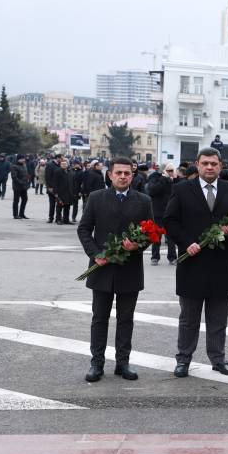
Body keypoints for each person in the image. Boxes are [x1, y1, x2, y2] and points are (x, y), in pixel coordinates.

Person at [164, 148, 228, 378]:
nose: (210, 167)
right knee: (188, 318)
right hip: (192, 262)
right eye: (205, 163)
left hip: (220, 264)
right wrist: (186, 243)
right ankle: (183, 359)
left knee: (218, 318)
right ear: (197, 165)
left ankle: (218, 359)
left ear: (220, 166)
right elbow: (170, 221)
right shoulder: (181, 189)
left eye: (214, 164)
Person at [77, 156, 153, 382]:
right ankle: (96, 363)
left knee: (126, 318)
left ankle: (123, 363)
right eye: (118, 173)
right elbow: (84, 230)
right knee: (99, 318)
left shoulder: (143, 201)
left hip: (130, 269)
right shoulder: (96, 198)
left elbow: (150, 234)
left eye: (127, 173)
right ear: (109, 175)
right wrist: (95, 254)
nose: (122, 176)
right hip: (102, 268)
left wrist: (138, 245)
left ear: (133, 175)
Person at [146, 163, 177, 266]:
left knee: (171, 237)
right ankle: (155, 257)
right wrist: (164, 179)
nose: (171, 173)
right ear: (164, 171)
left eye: (172, 170)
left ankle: (172, 257)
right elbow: (152, 190)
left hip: (170, 212)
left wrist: (174, 179)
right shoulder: (155, 177)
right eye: (169, 170)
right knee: (157, 236)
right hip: (158, 211)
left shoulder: (174, 179)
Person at [52, 158, 75, 225]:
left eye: (65, 164)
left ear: (67, 164)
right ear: (60, 165)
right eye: (62, 164)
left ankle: (66, 220)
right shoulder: (57, 172)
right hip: (60, 192)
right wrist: (55, 193)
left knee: (67, 206)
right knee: (59, 206)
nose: (64, 165)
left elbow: (72, 182)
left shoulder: (70, 171)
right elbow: (55, 183)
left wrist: (73, 191)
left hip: (69, 192)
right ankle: (58, 219)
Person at [10, 154, 30, 219]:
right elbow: (14, 177)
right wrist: (21, 182)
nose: (24, 160)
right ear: (18, 159)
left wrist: (27, 182)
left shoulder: (24, 165)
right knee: (16, 201)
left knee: (25, 199)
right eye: (22, 159)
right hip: (17, 187)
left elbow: (26, 175)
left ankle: (21, 214)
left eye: (23, 159)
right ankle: (15, 215)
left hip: (24, 186)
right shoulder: (14, 166)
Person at [45, 154, 62, 222]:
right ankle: (50, 217)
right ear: (57, 158)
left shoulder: (61, 164)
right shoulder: (50, 165)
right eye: (61, 158)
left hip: (59, 188)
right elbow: (47, 177)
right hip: (52, 187)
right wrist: (49, 187)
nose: (62, 159)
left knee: (59, 204)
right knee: (52, 204)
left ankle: (58, 218)